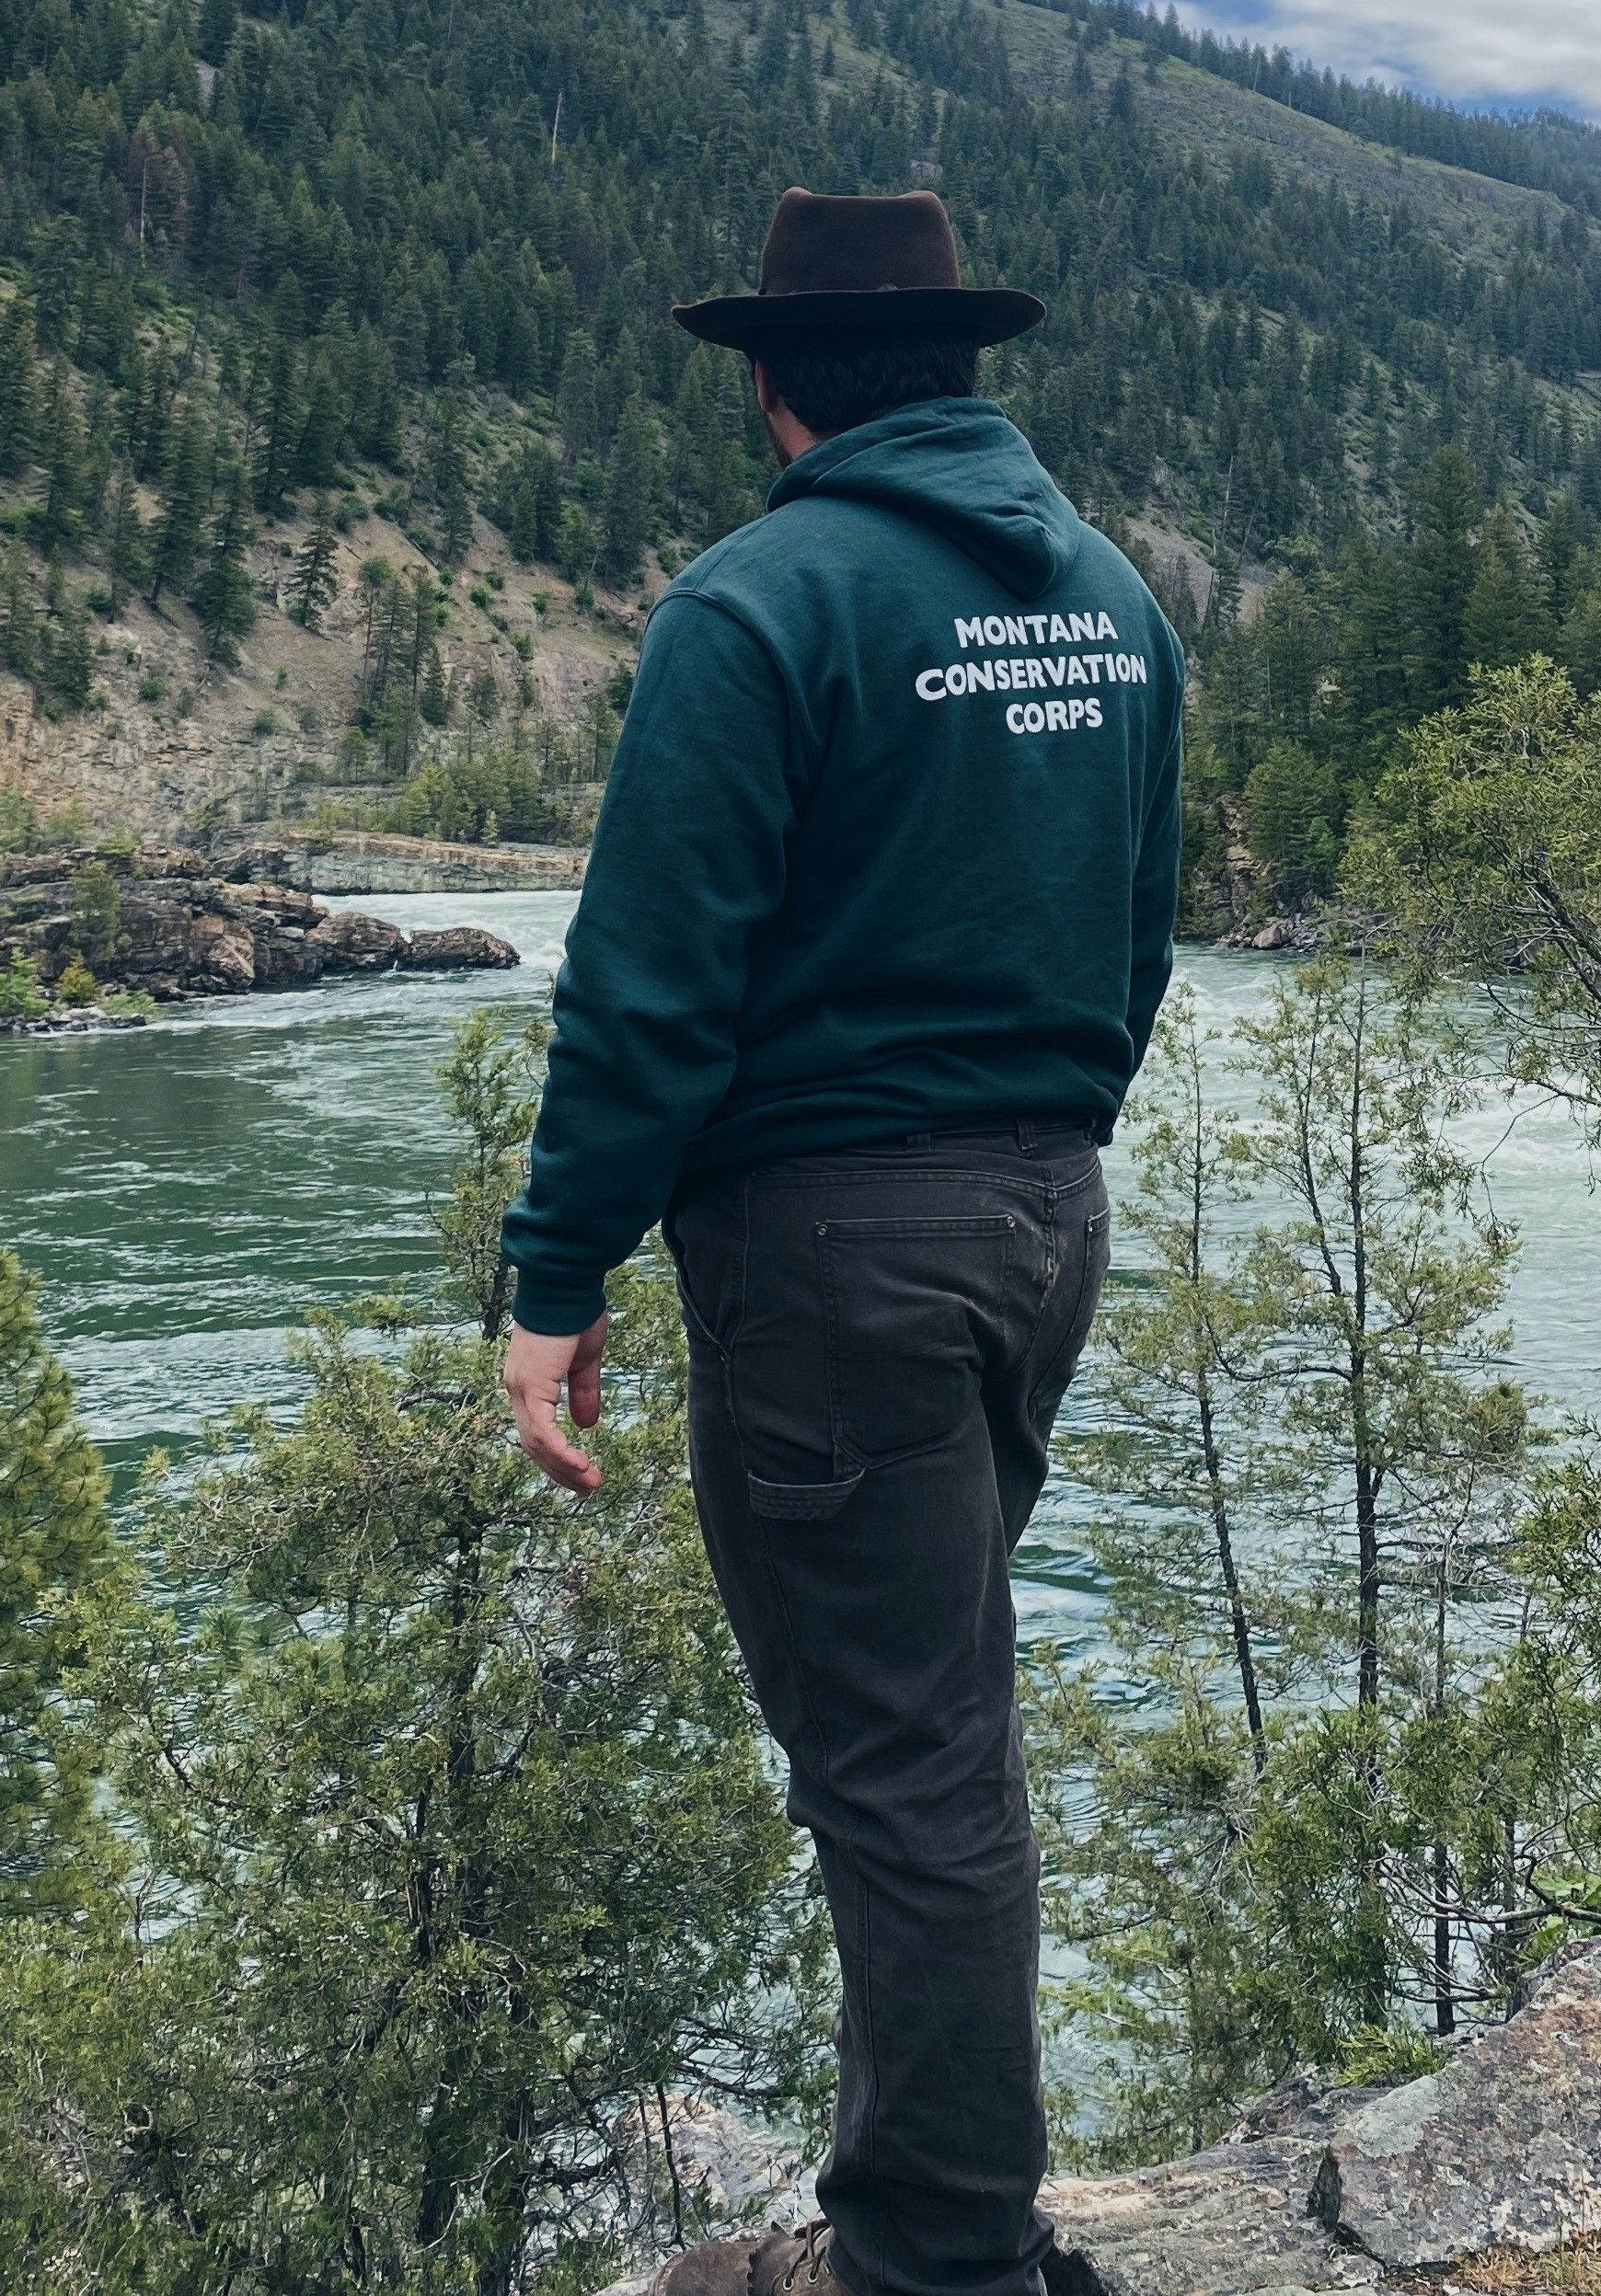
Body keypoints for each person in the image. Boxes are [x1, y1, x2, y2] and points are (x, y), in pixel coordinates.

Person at [501, 188, 1183, 2296]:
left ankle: (946, 2265)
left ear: (772, 385)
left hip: (834, 1257)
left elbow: (648, 986)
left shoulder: (761, 601)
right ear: (964, 368)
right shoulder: (1115, 603)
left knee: (899, 1766)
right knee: (940, 1725)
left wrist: (555, 1277)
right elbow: (1134, 938)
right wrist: (1025, 1157)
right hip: (1039, 1212)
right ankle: (935, 2214)